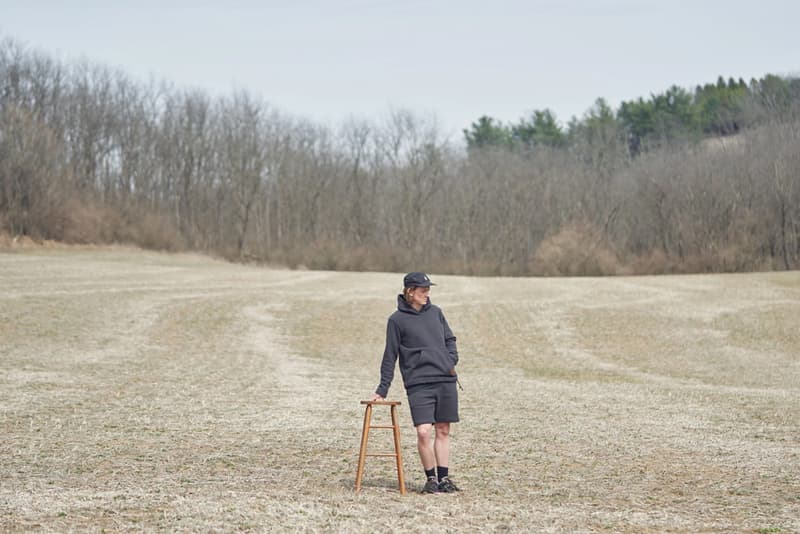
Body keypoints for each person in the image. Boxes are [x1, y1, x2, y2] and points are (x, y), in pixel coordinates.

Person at [371, 272, 461, 494]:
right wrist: (382, 389)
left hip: (445, 379)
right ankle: (431, 479)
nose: (427, 294)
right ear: (410, 291)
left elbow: (450, 340)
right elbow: (390, 356)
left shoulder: (437, 313)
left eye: (428, 290)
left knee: (443, 429)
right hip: (418, 384)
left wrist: (450, 360)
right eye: (423, 290)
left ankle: (444, 478)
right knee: (423, 432)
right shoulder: (396, 320)